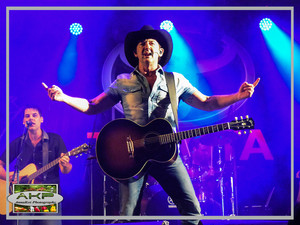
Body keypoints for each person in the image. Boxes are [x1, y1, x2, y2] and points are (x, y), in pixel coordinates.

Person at [44, 25, 260, 224]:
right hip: (132, 156)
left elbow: (206, 101)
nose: (147, 46)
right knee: (126, 215)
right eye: (142, 44)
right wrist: (64, 97)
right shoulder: (123, 81)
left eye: (152, 43)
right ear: (136, 53)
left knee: (192, 211)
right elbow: (92, 105)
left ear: (161, 52)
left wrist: (237, 96)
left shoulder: (176, 80)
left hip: (167, 154)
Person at [0, 106, 72, 225]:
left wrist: (65, 165)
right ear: (23, 121)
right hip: (23, 193)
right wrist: (9, 177)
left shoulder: (55, 140)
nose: (31, 118)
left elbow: (66, 170)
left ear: (41, 119)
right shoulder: (19, 142)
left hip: (49, 193)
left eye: (34, 115)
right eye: (27, 116)